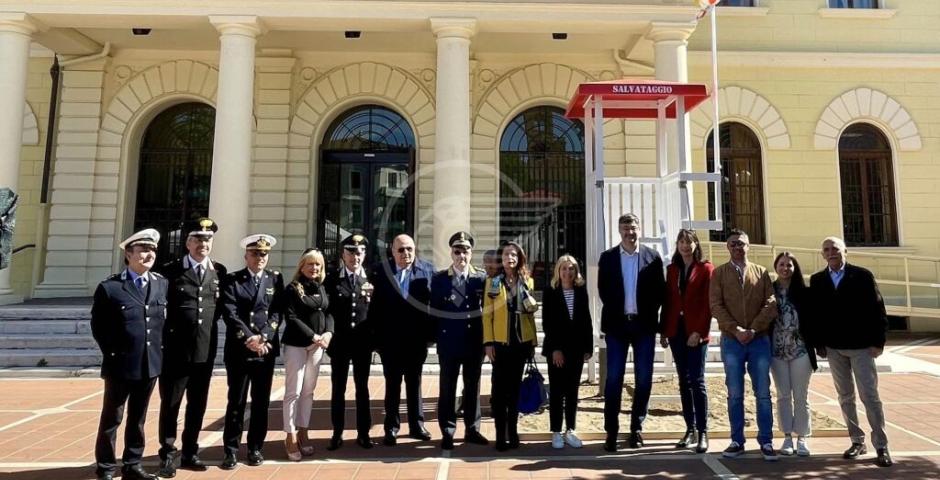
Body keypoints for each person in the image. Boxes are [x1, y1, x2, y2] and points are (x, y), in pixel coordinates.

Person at [808, 237, 892, 467]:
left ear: (845, 250)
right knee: (845, 397)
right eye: (826, 249)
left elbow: (878, 308)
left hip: (862, 347)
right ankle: (857, 441)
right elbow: (816, 315)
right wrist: (819, 344)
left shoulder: (862, 275)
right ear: (822, 254)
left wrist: (878, 342)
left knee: (870, 397)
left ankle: (881, 445)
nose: (831, 252)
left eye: (835, 248)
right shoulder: (817, 280)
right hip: (834, 348)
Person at [91, 228, 168, 480]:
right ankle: (105, 468)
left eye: (152, 250)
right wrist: (114, 354)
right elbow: (99, 327)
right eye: (143, 250)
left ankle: (133, 464)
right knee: (112, 418)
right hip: (121, 364)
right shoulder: (111, 287)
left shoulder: (161, 283)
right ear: (129, 253)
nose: (149, 255)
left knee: (138, 418)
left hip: (150, 364)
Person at [156, 218, 226, 477]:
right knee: (171, 404)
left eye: (207, 239)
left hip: (204, 350)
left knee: (197, 404)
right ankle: (167, 453)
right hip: (175, 350)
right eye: (197, 239)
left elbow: (217, 310)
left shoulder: (220, 271)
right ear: (187, 242)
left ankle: (190, 451)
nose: (202, 244)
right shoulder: (170, 271)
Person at [597, 213, 665, 452]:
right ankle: (611, 430)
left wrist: (649, 314)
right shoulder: (607, 258)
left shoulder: (653, 257)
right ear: (619, 231)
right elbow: (603, 290)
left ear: (640, 229)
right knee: (614, 379)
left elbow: (659, 292)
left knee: (644, 378)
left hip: (644, 326)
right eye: (625, 228)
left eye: (633, 228)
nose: (630, 232)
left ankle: (636, 427)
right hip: (617, 326)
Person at [709, 229, 778, 461]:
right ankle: (737, 440)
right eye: (733, 244)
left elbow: (771, 302)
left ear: (748, 246)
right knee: (735, 393)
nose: (738, 248)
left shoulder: (761, 273)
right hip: (732, 341)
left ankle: (766, 441)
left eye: (742, 244)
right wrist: (736, 330)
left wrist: (754, 329)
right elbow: (716, 305)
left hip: (758, 341)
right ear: (727, 248)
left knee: (763, 394)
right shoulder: (719, 274)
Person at [219, 234, 285, 469]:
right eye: (255, 253)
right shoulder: (232, 280)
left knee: (260, 402)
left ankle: (256, 447)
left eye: (264, 254)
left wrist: (265, 336)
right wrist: (250, 337)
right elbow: (230, 312)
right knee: (236, 402)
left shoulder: (275, 279)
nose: (260, 258)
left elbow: (277, 311)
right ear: (246, 255)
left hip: (264, 350)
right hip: (240, 349)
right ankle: (231, 449)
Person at [370, 234, 435, 445]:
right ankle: (391, 427)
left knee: (414, 382)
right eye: (401, 250)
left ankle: (417, 425)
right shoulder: (380, 271)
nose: (406, 253)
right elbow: (374, 308)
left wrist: (431, 337)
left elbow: (434, 306)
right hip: (389, 340)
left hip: (416, 339)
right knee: (392, 384)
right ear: (392, 250)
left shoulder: (427, 271)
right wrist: (376, 341)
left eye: (409, 249)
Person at [431, 231, 490, 450]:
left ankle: (472, 429)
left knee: (472, 387)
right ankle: (447, 430)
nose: (461, 255)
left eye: (465, 251)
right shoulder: (439, 279)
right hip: (449, 343)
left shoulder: (480, 278)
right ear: (451, 253)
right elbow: (435, 310)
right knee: (447, 387)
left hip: (474, 342)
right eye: (457, 251)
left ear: (471, 253)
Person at [659, 229, 713, 454]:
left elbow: (708, 303)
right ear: (677, 245)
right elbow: (668, 301)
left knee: (697, 381)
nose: (685, 246)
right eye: (681, 241)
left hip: (695, 331)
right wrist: (663, 330)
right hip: (675, 331)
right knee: (683, 380)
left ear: (695, 244)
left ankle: (702, 431)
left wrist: (699, 332)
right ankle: (689, 428)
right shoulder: (671, 270)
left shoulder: (706, 269)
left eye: (689, 242)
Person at [483, 241, 538, 452]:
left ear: (519, 258)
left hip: (520, 344)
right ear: (501, 259)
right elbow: (487, 315)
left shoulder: (528, 281)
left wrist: (532, 341)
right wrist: (488, 342)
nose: (510, 258)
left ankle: (513, 433)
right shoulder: (493, 282)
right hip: (500, 344)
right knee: (499, 391)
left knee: (514, 391)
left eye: (514, 254)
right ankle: (500, 435)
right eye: (506, 255)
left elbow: (531, 314)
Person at [281, 248, 334, 461]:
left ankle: (303, 430)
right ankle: (290, 435)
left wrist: (329, 333)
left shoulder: (322, 287)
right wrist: (313, 336)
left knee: (308, 391)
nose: (314, 268)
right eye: (310, 264)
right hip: (297, 345)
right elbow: (291, 317)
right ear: (302, 266)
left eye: (318, 265)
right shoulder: (293, 288)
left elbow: (329, 312)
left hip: (318, 347)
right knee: (293, 392)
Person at [324, 234, 376, 450]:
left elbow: (377, 313)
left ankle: (363, 432)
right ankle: (337, 432)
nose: (356, 256)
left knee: (362, 389)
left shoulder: (372, 278)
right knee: (338, 389)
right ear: (343, 254)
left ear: (364, 254)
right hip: (340, 343)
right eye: (351, 252)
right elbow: (328, 310)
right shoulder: (332, 279)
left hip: (363, 344)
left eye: (360, 252)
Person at [541, 254, 593, 450]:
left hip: (577, 350)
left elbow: (586, 320)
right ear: (558, 271)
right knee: (556, 391)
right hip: (557, 350)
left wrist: (588, 347)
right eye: (564, 268)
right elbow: (548, 323)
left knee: (572, 391)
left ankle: (570, 429)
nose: (567, 272)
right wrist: (555, 349)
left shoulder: (581, 291)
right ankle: (556, 430)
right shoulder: (550, 291)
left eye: (571, 268)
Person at [770, 252, 816, 457]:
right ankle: (787, 436)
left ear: (794, 268)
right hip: (777, 350)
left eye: (789, 265)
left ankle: (802, 437)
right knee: (783, 395)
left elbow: (813, 321)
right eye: (781, 264)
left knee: (801, 395)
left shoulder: (805, 293)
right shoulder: (769, 290)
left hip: (800, 350)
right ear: (775, 267)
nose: (785, 268)